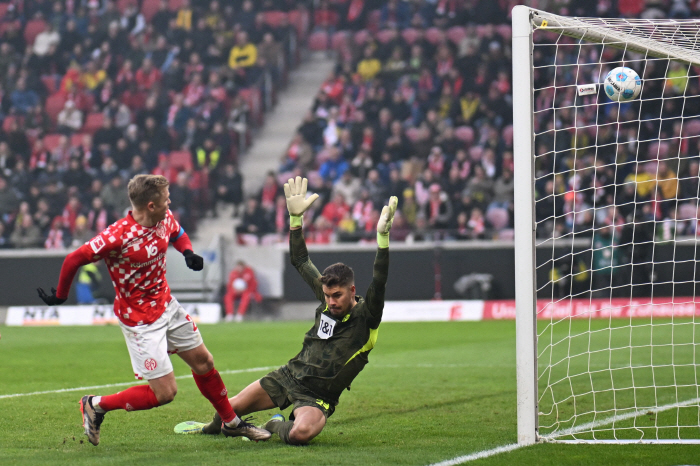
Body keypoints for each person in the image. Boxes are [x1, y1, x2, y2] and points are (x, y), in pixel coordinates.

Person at [37, 174, 270, 446]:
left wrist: (187, 252)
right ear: (150, 205)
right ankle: (95, 405)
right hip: (140, 321)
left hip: (166, 305)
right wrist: (61, 295)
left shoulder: (164, 217)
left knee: (204, 362)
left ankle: (231, 424)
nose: (169, 202)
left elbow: (177, 233)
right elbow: (74, 258)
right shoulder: (117, 236)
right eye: (165, 198)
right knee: (165, 393)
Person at [175, 176, 398, 445]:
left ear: (352, 291)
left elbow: (380, 279)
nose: (331, 302)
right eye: (327, 296)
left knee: (300, 434)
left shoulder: (367, 316)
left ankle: (274, 425)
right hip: (288, 376)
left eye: (337, 295)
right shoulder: (326, 300)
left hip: (317, 398)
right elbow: (300, 260)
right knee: (227, 411)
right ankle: (206, 429)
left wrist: (382, 239)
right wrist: (295, 221)